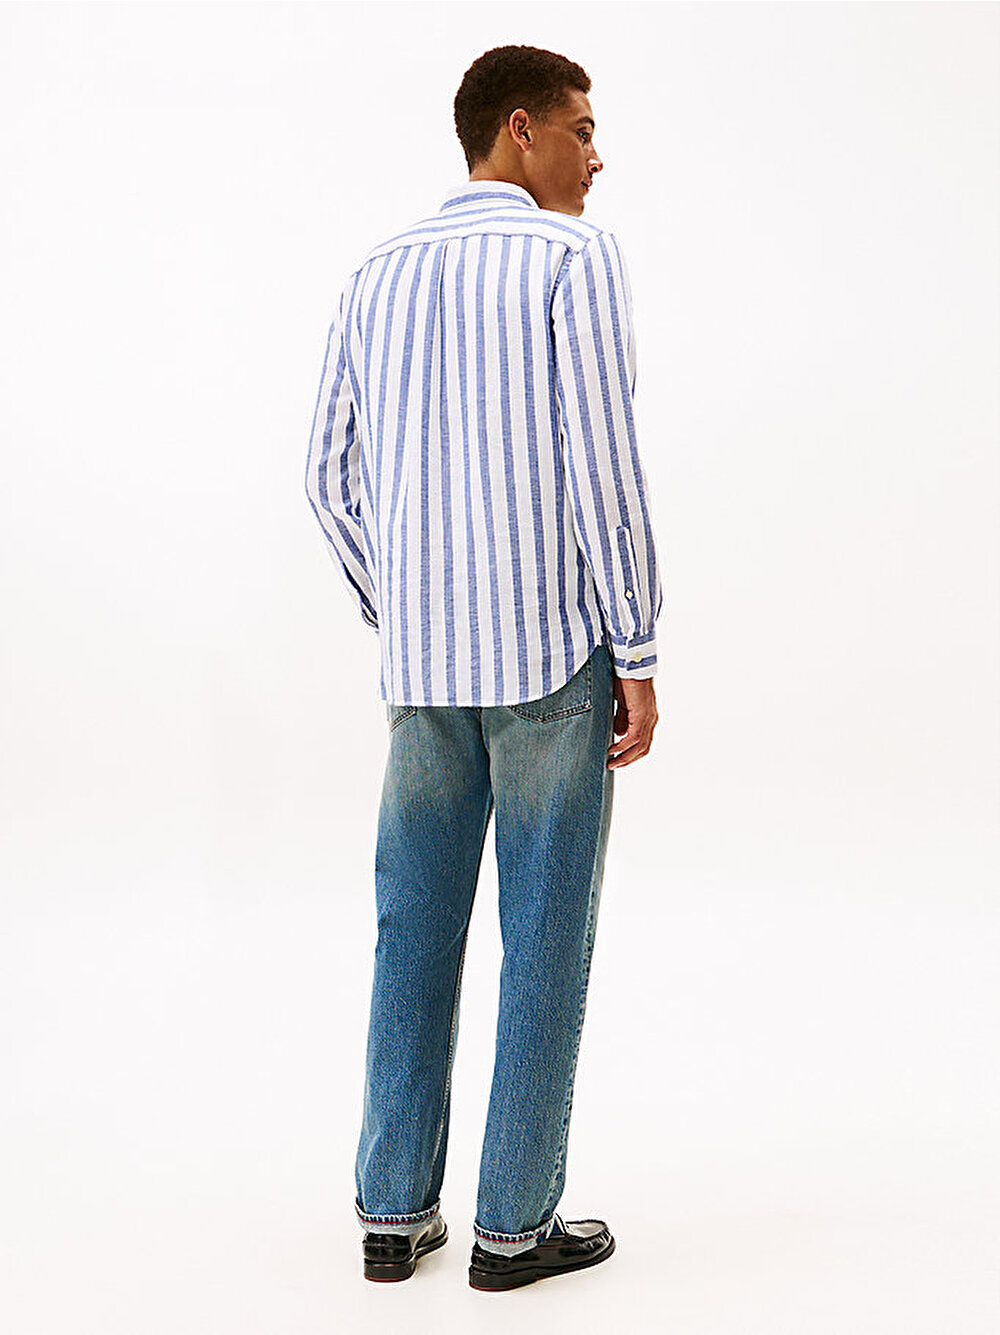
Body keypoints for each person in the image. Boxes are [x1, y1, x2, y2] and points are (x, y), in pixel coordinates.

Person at [304, 43, 663, 1292]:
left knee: (412, 930)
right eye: (581, 128)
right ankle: (513, 1227)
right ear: (520, 128)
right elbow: (603, 465)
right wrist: (638, 644)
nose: (595, 156)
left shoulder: (375, 271)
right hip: (550, 658)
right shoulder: (571, 258)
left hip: (422, 674)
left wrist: (401, 608)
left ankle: (392, 1215)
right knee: (543, 936)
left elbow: (325, 476)